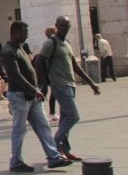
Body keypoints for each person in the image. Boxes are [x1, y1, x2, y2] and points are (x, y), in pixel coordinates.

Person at [1, 21, 73, 173]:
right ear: (14, 32)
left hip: (31, 96)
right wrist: (35, 90)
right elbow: (15, 75)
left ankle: (54, 157)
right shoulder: (8, 51)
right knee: (19, 130)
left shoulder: (20, 47)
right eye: (24, 32)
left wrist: (36, 89)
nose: (26, 35)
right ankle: (15, 162)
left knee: (43, 126)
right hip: (19, 95)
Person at [41, 16, 100, 161]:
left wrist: (91, 83)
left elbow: (74, 65)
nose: (64, 28)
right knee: (74, 116)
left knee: (65, 118)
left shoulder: (66, 43)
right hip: (59, 85)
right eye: (61, 25)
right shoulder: (50, 43)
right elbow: (39, 62)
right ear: (56, 26)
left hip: (70, 84)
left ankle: (65, 150)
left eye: (67, 25)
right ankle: (54, 145)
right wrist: (44, 84)